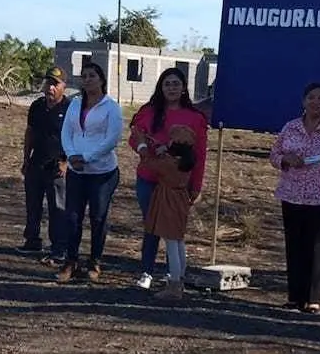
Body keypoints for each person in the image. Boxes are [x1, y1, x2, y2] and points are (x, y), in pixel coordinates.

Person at [268, 82, 320, 313]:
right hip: (292, 195)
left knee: (319, 248)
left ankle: (313, 298)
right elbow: (274, 155)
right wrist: (286, 159)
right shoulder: (291, 127)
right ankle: (294, 296)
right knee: (295, 247)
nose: (316, 102)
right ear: (304, 101)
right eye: (311, 98)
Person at [128, 68, 208, 289]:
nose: (171, 88)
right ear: (161, 87)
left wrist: (196, 185)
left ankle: (176, 274)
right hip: (149, 178)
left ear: (183, 87)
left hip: (176, 184)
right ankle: (147, 270)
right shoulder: (149, 111)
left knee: (173, 229)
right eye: (167, 84)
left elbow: (200, 154)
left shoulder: (195, 117)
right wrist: (143, 147)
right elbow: (135, 136)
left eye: (176, 83)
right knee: (151, 225)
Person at [58, 61, 122, 283]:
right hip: (77, 171)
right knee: (73, 217)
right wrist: (71, 155)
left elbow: (112, 139)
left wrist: (86, 158)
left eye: (92, 76)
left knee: (98, 217)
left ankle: (94, 262)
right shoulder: (75, 104)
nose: (87, 80)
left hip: (102, 173)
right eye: (84, 76)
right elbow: (66, 132)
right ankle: (71, 261)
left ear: (102, 80)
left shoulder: (111, 107)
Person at [135, 124, 200, 301]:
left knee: (171, 242)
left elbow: (148, 162)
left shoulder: (169, 163)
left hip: (167, 201)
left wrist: (142, 145)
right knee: (178, 240)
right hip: (180, 201)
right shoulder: (184, 162)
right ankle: (181, 278)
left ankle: (174, 284)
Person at [17, 66, 69, 259]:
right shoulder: (37, 106)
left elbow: (76, 138)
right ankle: (32, 241)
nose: (50, 88)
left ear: (64, 86)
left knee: (57, 209)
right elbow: (29, 133)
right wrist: (25, 159)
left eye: (55, 84)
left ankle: (59, 248)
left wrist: (66, 162)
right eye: (48, 83)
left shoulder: (70, 108)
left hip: (57, 166)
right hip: (35, 163)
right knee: (33, 205)